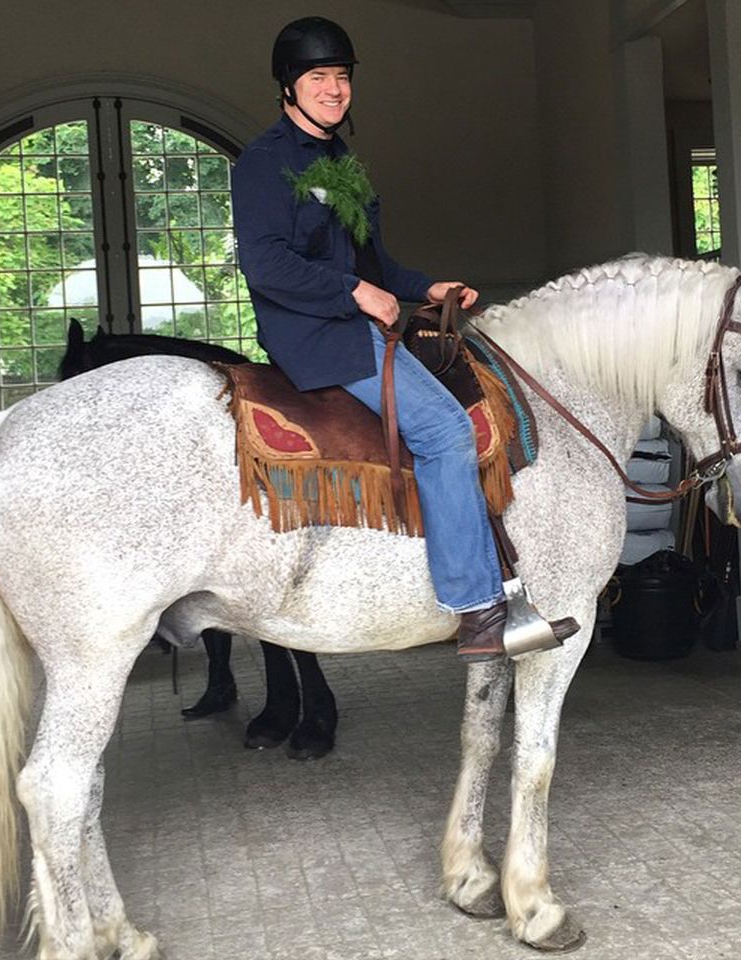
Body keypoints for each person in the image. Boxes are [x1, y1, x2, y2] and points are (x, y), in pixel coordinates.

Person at [231, 17, 577, 661]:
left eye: (341, 76)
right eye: (318, 78)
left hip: (359, 320)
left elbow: (376, 266)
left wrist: (428, 289)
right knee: (446, 430)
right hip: (316, 334)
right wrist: (352, 294)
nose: (334, 90)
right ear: (289, 86)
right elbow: (265, 264)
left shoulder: (342, 163)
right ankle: (478, 611)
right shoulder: (264, 164)